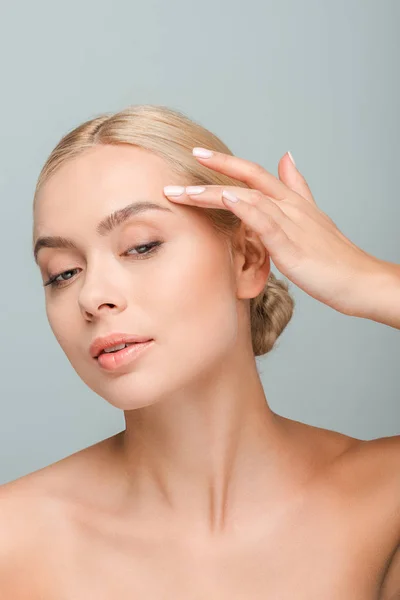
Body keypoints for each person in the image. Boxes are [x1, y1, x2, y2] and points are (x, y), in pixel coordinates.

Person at [0, 104, 399, 598]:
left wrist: (370, 282)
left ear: (248, 258)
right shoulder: (14, 543)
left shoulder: (387, 503)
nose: (90, 295)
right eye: (62, 272)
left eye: (141, 246)